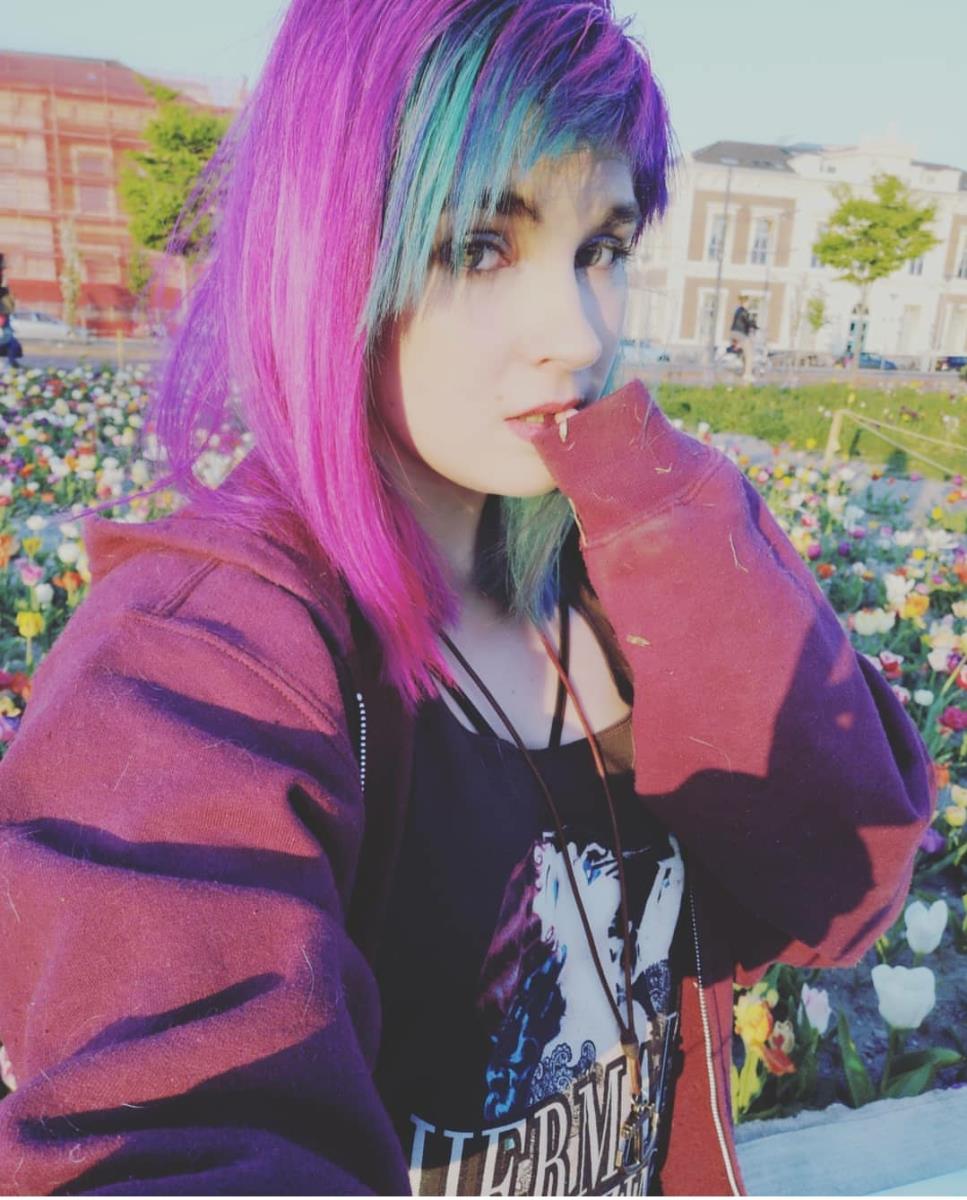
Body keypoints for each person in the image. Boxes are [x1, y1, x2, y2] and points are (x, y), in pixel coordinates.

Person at [0, 1, 933, 1195]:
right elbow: (178, 1124)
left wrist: (661, 502)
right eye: (481, 247)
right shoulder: (196, 660)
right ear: (330, 255)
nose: (578, 333)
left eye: (601, 248)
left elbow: (842, 886)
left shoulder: (616, 578)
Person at [729, 295, 757, 383]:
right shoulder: (744, 311)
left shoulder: (738, 310)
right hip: (741, 334)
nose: (749, 304)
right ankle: (747, 375)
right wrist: (755, 326)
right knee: (749, 355)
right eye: (748, 302)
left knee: (743, 354)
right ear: (745, 302)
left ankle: (744, 371)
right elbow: (749, 322)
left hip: (734, 333)